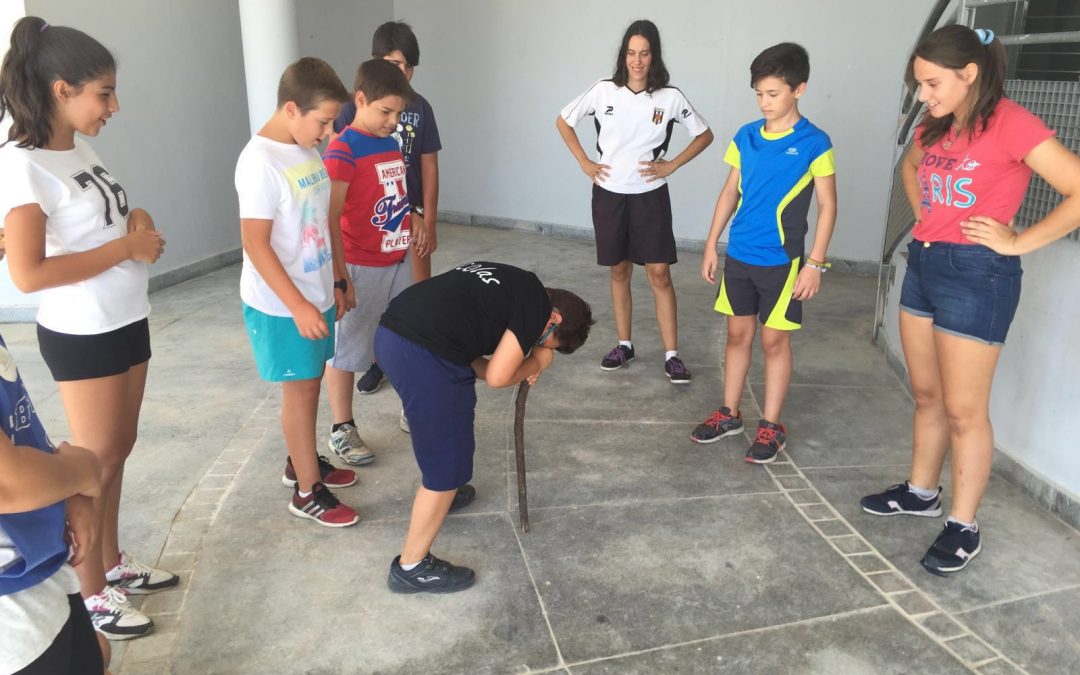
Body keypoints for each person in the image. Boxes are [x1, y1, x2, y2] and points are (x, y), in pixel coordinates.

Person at [860, 25, 1080, 575]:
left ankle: (963, 524)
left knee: (964, 412)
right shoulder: (938, 126)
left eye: (932, 83)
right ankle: (920, 491)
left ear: (969, 73)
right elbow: (909, 168)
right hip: (928, 265)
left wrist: (1017, 240)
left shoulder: (1011, 122)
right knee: (929, 395)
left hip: (979, 274)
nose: (924, 96)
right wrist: (927, 219)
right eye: (919, 85)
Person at [0, 16, 177, 640]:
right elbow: (27, 272)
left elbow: (111, 217)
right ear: (60, 89)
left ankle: (109, 560)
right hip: (84, 331)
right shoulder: (20, 166)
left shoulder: (76, 145)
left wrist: (137, 228)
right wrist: (125, 251)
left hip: (127, 316)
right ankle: (92, 591)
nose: (114, 105)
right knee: (91, 463)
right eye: (103, 92)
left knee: (116, 453)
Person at [374, 262, 594, 593]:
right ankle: (412, 566)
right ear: (555, 320)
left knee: (443, 435)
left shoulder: (512, 283)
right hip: (424, 354)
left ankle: (444, 495)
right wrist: (537, 362)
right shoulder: (536, 308)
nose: (537, 346)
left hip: (392, 336)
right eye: (547, 344)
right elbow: (497, 377)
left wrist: (523, 364)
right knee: (447, 462)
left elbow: (472, 358)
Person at [691, 42, 837, 464]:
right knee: (738, 336)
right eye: (759, 93)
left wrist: (815, 264)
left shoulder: (815, 142)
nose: (764, 102)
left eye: (773, 93)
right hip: (739, 256)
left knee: (775, 343)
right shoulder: (746, 135)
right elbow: (729, 191)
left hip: (784, 263)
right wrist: (711, 243)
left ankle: (771, 425)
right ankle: (730, 413)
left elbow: (828, 205)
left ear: (799, 89)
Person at [234, 57, 360, 528]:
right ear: (291, 108)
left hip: (315, 292)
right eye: (323, 121)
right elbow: (255, 244)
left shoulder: (303, 149)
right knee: (302, 391)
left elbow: (321, 225)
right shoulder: (259, 161)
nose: (328, 133)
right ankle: (308, 492)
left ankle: (300, 461)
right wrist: (298, 304)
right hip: (283, 303)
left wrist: (336, 280)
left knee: (310, 382)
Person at [556, 19, 713, 384]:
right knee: (619, 270)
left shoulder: (669, 97)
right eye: (631, 53)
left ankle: (672, 355)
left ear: (653, 56)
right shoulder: (603, 91)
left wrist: (671, 164)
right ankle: (624, 344)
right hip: (609, 194)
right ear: (623, 55)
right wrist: (584, 161)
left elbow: (704, 134)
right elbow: (564, 121)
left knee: (659, 273)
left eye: (644, 53)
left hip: (650, 197)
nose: (637, 61)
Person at [0, 233, 111, 675]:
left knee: (91, 653)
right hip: (13, 619)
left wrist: (68, 493)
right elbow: (7, 483)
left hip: (36, 580)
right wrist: (83, 469)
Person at [333, 20, 441, 398]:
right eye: (396, 64)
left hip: (403, 224)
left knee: (413, 305)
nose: (404, 73)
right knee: (356, 327)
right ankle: (374, 368)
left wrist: (424, 215)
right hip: (365, 240)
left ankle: (405, 374)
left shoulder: (419, 109)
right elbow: (340, 187)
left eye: (409, 66)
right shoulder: (350, 121)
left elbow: (428, 165)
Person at [322, 59, 415, 464]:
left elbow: (394, 196)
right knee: (346, 350)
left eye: (398, 114)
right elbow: (329, 218)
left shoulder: (390, 143)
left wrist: (416, 219)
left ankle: (413, 406)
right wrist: (341, 276)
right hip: (361, 264)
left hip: (399, 259)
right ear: (360, 99)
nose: (392, 122)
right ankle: (342, 427)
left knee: (408, 337)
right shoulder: (342, 150)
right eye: (385, 112)